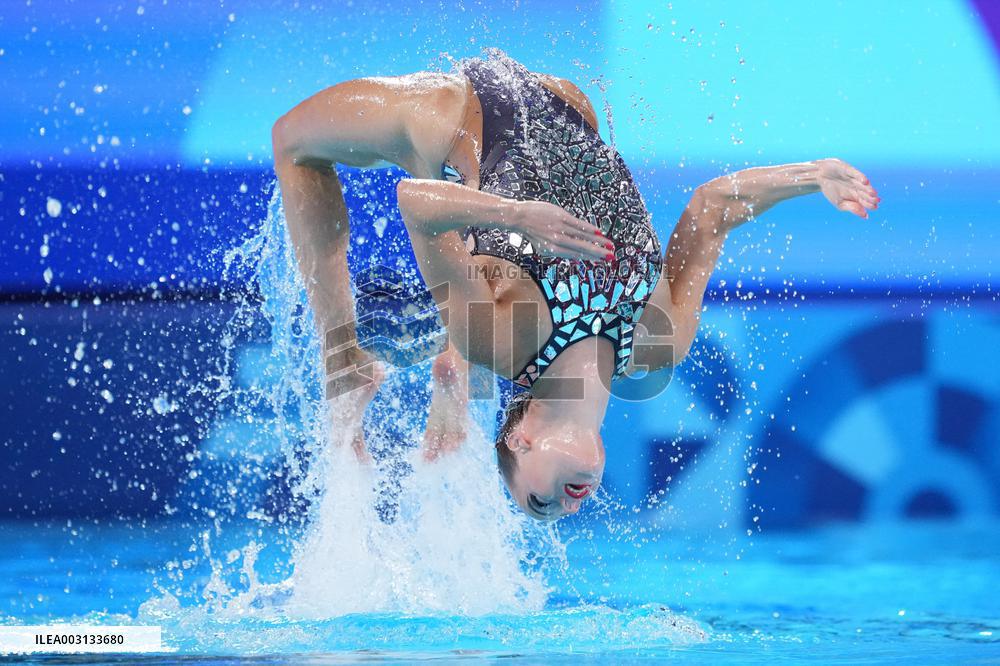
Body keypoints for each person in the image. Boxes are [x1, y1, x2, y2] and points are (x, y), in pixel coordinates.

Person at [270, 49, 880, 521]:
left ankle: (344, 355)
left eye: (540, 503)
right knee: (481, 269)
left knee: (293, 143)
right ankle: (447, 371)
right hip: (566, 107)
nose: (569, 507)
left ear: (522, 435)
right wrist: (813, 174)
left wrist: (515, 215)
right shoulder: (656, 345)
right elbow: (712, 208)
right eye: (566, 513)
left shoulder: (505, 344)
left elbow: (414, 202)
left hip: (455, 115)